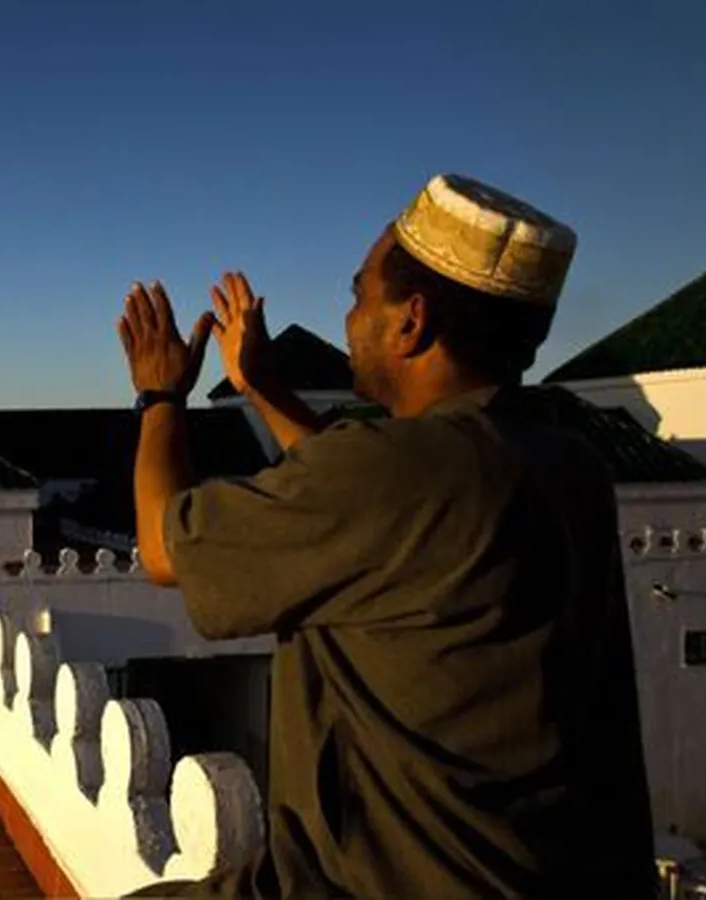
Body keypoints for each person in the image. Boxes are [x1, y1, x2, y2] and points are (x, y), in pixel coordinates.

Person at [117, 174, 656, 899]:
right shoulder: (566, 460)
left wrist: (160, 395)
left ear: (412, 321)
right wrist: (264, 389)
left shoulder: (389, 471)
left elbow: (162, 546)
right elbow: (374, 509)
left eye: (358, 296)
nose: (348, 320)